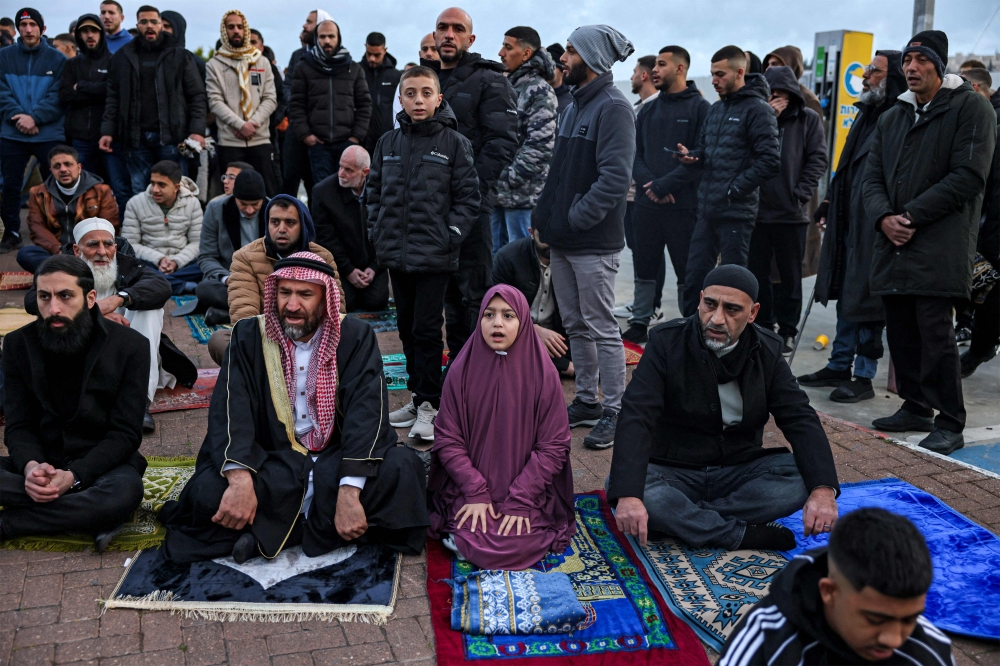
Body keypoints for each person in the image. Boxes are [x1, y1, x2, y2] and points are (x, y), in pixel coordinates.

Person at [158, 252, 429, 564]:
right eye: (284, 292)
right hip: (271, 460)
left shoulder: (354, 336)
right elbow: (231, 411)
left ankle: (270, 534)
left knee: (402, 468)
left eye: (305, 294)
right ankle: (314, 527)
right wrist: (240, 478)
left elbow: (367, 413)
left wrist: (350, 491)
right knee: (208, 491)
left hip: (336, 457)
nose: (291, 305)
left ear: (325, 298)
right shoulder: (248, 336)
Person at [609, 265, 840, 551]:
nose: (717, 319)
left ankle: (684, 521)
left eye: (732, 310)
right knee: (629, 487)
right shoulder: (665, 342)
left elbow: (800, 418)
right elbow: (636, 415)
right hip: (675, 468)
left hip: (737, 470)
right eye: (710, 305)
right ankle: (738, 534)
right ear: (701, 299)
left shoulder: (767, 350)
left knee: (805, 478)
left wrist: (823, 490)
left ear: (752, 313)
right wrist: (630, 497)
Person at [864, 30, 996, 456]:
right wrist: (884, 217)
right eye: (907, 61)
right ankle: (916, 406)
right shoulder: (892, 117)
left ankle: (950, 421)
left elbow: (970, 175)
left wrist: (910, 216)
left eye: (921, 61)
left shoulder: (970, 108)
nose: (912, 68)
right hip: (893, 241)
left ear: (939, 67)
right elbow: (872, 178)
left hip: (939, 242)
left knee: (935, 334)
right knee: (901, 332)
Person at [0, 255, 149, 552]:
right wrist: (30, 468)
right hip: (41, 462)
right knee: (106, 505)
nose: (54, 308)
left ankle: (11, 524)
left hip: (100, 469)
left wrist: (74, 476)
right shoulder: (18, 344)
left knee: (122, 493)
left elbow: (125, 434)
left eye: (65, 296)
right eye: (45, 297)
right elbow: (19, 426)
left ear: (90, 297)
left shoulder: (130, 346)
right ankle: (85, 515)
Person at [533, 25, 636, 450]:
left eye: (571, 51)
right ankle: (589, 401)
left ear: (592, 58)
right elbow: (559, 172)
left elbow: (615, 180)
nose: (563, 57)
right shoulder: (574, 104)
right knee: (575, 324)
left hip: (592, 240)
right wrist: (545, 214)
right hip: (564, 238)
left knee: (601, 327)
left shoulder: (614, 107)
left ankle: (616, 409)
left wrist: (574, 218)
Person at [428, 284, 575, 569]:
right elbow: (447, 438)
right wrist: (475, 490)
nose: (497, 323)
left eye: (508, 315)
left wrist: (521, 499)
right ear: (479, 320)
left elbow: (554, 446)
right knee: (469, 536)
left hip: (527, 491)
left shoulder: (542, 374)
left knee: (517, 541)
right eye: (489, 314)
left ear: (522, 322)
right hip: (470, 489)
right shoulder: (461, 369)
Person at [369, 66, 480, 441]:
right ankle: (418, 399)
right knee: (405, 328)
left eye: (426, 93)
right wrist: (376, 232)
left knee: (428, 330)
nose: (418, 100)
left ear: (438, 99)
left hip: (434, 255)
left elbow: (468, 199)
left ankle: (431, 404)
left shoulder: (454, 143)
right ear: (400, 98)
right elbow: (373, 194)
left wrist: (450, 235)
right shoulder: (387, 143)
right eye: (411, 93)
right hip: (396, 256)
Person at [719, 508, 953, 666]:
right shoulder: (766, 641)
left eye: (909, 620)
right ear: (829, 592)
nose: (893, 639)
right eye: (875, 620)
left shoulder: (929, 651)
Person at [804, 52, 906, 402]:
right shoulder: (866, 115)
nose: (865, 76)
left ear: (891, 79)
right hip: (849, 218)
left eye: (874, 71)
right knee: (847, 293)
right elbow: (844, 167)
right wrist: (830, 200)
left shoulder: (899, 117)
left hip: (875, 223)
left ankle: (863, 375)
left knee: (867, 299)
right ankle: (838, 362)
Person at [427, 8, 518, 369]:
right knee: (442, 295)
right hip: (429, 208)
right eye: (442, 28)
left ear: (470, 38)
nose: (449, 34)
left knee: (474, 294)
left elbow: (502, 143)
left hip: (471, 207)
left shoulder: (490, 80)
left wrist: (468, 193)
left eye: (457, 29)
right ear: (434, 36)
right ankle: (454, 371)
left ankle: (481, 372)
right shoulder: (425, 79)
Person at [24, 219, 175, 432]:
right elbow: (32, 301)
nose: (102, 252)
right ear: (77, 250)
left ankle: (139, 403)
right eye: (93, 244)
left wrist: (118, 299)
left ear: (115, 246)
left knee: (150, 308)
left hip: (128, 353)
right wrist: (94, 314)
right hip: (81, 356)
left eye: (108, 244)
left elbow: (161, 286)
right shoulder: (61, 268)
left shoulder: (127, 264)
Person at [675, 46, 780, 317]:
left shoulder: (758, 110)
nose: (713, 80)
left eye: (720, 74)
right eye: (712, 74)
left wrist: (734, 188)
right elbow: (705, 150)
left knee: (731, 285)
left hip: (736, 213)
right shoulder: (716, 109)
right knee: (695, 276)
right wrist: (692, 157)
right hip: (708, 210)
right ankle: (689, 336)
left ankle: (733, 343)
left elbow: (770, 161)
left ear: (740, 72)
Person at [623, 46, 710, 343]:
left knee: (689, 270)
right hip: (648, 204)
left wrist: (665, 186)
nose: (654, 70)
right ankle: (640, 320)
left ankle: (691, 323)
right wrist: (651, 185)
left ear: (681, 68)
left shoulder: (701, 109)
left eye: (661, 64)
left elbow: (702, 158)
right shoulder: (647, 110)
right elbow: (634, 154)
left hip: (684, 206)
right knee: (644, 263)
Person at [747, 65, 828, 354]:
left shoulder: (807, 119)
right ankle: (764, 326)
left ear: (793, 94)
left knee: (790, 276)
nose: (777, 99)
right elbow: (744, 153)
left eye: (783, 94)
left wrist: (800, 194)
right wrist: (768, 117)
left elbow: (818, 159)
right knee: (758, 274)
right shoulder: (756, 116)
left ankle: (789, 330)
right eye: (772, 94)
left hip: (791, 214)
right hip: (756, 211)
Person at [216, 194, 338, 365]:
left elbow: (337, 313)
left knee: (354, 337)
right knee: (220, 341)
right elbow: (244, 317)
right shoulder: (245, 257)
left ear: (303, 225)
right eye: (275, 222)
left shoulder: (322, 257)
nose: (281, 229)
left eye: (290, 223)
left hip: (313, 339)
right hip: (267, 342)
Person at [99, 5, 207, 197]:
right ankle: (146, 228)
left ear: (160, 25)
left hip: (172, 137)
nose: (149, 26)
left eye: (154, 22)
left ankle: (177, 228)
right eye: (144, 22)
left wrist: (197, 131)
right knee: (141, 191)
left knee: (177, 190)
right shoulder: (122, 57)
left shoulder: (180, 55)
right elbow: (113, 97)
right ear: (136, 25)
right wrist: (107, 130)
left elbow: (197, 96)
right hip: (135, 138)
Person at [0, 8, 67, 254]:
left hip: (48, 132)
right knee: (10, 185)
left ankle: (57, 231)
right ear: (18, 28)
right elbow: (2, 92)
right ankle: (12, 232)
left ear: (43, 29)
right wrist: (19, 117)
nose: (28, 29)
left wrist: (35, 117)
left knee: (56, 184)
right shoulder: (3, 56)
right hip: (11, 131)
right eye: (23, 24)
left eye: (32, 24)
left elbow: (59, 95)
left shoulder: (58, 59)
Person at [492, 27, 557, 255]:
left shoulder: (539, 91)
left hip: (522, 198)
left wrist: (509, 177)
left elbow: (541, 145)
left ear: (526, 54)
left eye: (508, 47)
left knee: (520, 263)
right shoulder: (509, 86)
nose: (501, 52)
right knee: (495, 261)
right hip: (498, 194)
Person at [59, 14, 131, 217]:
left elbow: (113, 92)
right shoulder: (72, 64)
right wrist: (96, 91)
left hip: (110, 136)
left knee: (118, 187)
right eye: (84, 31)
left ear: (101, 33)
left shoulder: (114, 61)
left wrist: (81, 87)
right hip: (80, 137)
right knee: (81, 188)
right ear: (79, 35)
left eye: (94, 30)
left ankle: (123, 231)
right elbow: (65, 95)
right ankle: (84, 228)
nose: (89, 35)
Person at [289, 19, 372, 184]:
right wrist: (306, 135)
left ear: (338, 38)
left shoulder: (353, 69)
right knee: (323, 191)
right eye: (322, 36)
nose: (327, 41)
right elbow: (296, 104)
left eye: (331, 36)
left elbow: (364, 104)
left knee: (348, 192)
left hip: (347, 143)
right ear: (316, 39)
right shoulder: (304, 67)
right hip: (318, 145)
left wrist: (356, 136)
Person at [206, 11, 279, 198]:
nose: (236, 31)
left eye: (240, 26)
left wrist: (252, 124)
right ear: (224, 31)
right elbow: (215, 102)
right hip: (230, 141)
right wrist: (240, 125)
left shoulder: (261, 61)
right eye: (231, 27)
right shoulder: (214, 64)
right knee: (233, 194)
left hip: (260, 139)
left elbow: (270, 98)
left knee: (266, 192)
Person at [18, 145, 119, 273]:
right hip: (57, 252)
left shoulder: (101, 191)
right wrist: (58, 250)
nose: (63, 169)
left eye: (68, 164)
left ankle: (59, 272)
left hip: (90, 251)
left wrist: (83, 250)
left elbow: (108, 225)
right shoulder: (38, 193)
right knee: (26, 254)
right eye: (57, 166)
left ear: (79, 167)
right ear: (51, 170)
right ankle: (76, 272)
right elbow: (37, 227)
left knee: (119, 254)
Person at [312, 145, 388, 312]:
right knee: (347, 303)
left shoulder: (383, 190)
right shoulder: (324, 193)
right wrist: (348, 270)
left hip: (373, 262)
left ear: (365, 172)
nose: (341, 174)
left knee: (377, 301)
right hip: (340, 264)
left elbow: (388, 232)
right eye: (340, 166)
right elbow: (326, 238)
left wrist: (375, 267)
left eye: (349, 170)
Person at [617, 54, 661, 326]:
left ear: (644, 75)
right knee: (639, 251)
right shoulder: (639, 107)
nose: (632, 76)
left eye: (634, 71)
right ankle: (643, 302)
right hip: (631, 195)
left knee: (650, 252)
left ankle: (653, 307)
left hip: (643, 195)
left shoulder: (655, 108)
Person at [492, 228, 573, 377]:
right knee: (504, 346)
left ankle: (560, 366)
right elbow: (495, 309)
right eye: (544, 235)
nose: (551, 241)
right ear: (531, 232)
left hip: (556, 335)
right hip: (518, 330)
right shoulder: (509, 257)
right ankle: (568, 368)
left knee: (594, 346)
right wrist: (533, 329)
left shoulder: (571, 258)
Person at [193, 170, 268, 326]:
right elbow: (206, 256)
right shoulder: (215, 208)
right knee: (204, 289)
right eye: (243, 204)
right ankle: (264, 311)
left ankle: (229, 314)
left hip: (266, 283)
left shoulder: (274, 210)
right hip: (230, 282)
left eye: (255, 205)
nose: (249, 210)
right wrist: (227, 279)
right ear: (234, 199)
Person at [122, 160, 203, 295]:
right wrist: (159, 258)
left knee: (207, 263)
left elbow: (198, 242)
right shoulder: (135, 203)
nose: (155, 189)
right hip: (150, 263)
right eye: (153, 183)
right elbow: (130, 244)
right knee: (128, 264)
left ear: (176, 187)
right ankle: (184, 286)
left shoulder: (192, 203)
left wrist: (177, 261)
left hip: (183, 264)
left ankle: (159, 283)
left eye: (162, 185)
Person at [279, 9, 331, 199]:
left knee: (316, 183)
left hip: (320, 132)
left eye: (309, 22)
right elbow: (287, 88)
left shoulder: (334, 59)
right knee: (290, 179)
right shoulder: (297, 55)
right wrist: (297, 111)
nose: (304, 25)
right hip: (296, 129)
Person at [361, 31, 401, 156]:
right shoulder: (357, 73)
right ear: (365, 47)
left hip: (388, 140)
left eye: (377, 55)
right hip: (361, 140)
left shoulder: (396, 76)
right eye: (369, 54)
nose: (372, 58)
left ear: (385, 50)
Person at [390, 34, 439, 129]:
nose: (428, 53)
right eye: (425, 49)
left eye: (434, 49)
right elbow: (398, 118)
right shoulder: (404, 83)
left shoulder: (451, 80)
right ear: (420, 53)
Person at [546, 43, 572, 114]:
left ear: (562, 71)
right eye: (544, 67)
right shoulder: (534, 97)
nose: (546, 71)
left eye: (551, 67)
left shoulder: (573, 101)